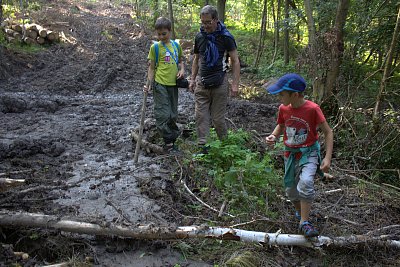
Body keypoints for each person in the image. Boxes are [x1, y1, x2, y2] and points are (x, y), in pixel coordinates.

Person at [264, 73, 333, 238]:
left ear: (294, 94)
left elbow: (328, 132)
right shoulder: (283, 109)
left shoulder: (312, 109)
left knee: (306, 182)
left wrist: (327, 158)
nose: (279, 97)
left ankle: (304, 222)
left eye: (281, 94)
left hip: (309, 153)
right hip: (290, 154)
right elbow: (281, 126)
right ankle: (300, 212)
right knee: (290, 191)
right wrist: (274, 136)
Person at [189, 5, 240, 152]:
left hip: (220, 83)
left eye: (208, 22)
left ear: (216, 20)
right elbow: (196, 59)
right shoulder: (199, 37)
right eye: (202, 23)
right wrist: (192, 79)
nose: (205, 26)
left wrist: (235, 84)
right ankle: (203, 147)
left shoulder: (226, 37)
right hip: (202, 82)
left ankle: (225, 147)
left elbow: (235, 61)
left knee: (218, 120)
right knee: (200, 116)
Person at [144, 17, 185, 153]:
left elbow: (180, 60)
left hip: (173, 85)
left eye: (164, 34)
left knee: (173, 114)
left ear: (170, 31)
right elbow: (151, 67)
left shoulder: (176, 46)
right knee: (163, 114)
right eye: (158, 34)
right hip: (160, 84)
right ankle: (168, 143)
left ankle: (173, 138)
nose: (161, 37)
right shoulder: (155, 48)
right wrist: (149, 84)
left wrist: (182, 70)